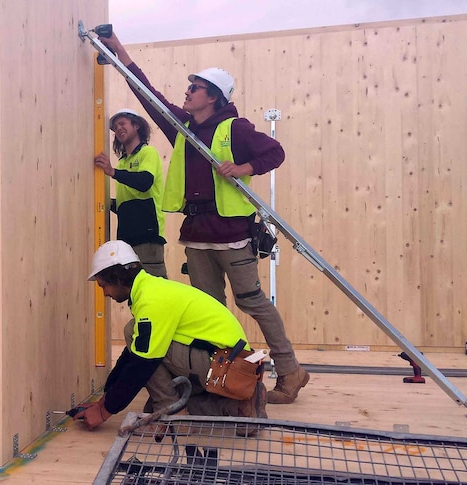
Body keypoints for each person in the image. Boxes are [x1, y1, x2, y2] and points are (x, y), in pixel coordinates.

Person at [97, 32, 309, 405]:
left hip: (231, 233)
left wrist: (243, 166)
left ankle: (291, 372)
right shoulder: (183, 127)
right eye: (189, 87)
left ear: (213, 96)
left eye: (195, 88)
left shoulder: (234, 128)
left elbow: (275, 152)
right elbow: (151, 98)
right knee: (209, 310)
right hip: (196, 234)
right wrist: (121, 52)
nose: (188, 92)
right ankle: (220, 381)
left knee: (252, 301)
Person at [74, 240, 267, 432]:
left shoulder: (151, 300)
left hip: (231, 367)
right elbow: (130, 356)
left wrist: (104, 412)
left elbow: (140, 363)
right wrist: (104, 401)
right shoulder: (151, 289)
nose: (105, 293)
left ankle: (172, 418)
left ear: (116, 278)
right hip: (226, 362)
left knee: (148, 356)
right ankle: (239, 409)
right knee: (151, 404)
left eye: (103, 286)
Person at [94, 109, 167, 278]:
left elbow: (144, 182)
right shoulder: (122, 163)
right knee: (135, 289)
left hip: (148, 235)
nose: (118, 129)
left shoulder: (147, 153)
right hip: (128, 237)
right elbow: (126, 204)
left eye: (122, 124)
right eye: (115, 127)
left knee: (156, 288)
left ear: (136, 125)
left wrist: (112, 172)